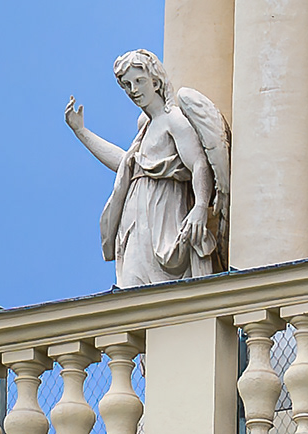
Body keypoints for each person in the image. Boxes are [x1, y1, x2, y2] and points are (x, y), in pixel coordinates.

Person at [64, 51, 231, 286]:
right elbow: (126, 164)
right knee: (132, 288)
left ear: (155, 81)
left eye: (139, 81)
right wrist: (82, 132)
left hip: (164, 217)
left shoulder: (173, 119)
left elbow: (199, 163)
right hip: (135, 221)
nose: (133, 90)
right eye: (127, 85)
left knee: (167, 290)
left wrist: (201, 207)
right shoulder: (145, 126)